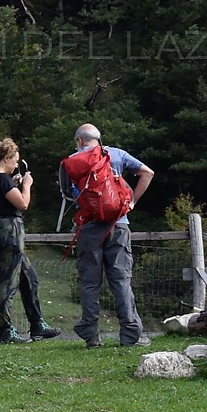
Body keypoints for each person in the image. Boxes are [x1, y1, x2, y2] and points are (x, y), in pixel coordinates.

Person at [62, 124, 153, 348]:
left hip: (89, 227)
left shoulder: (70, 162)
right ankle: (131, 335)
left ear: (80, 141)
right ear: (98, 140)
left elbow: (66, 194)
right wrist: (132, 202)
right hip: (118, 224)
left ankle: (92, 336)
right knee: (121, 280)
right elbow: (147, 173)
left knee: (90, 283)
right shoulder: (117, 154)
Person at [0, 139, 61, 343]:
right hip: (10, 232)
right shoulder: (2, 179)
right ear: (6, 158)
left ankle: (37, 324)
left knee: (29, 277)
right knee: (8, 281)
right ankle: (6, 330)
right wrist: (27, 185)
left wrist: (13, 185)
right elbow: (22, 204)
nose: (16, 165)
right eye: (15, 160)